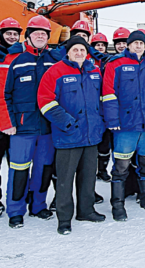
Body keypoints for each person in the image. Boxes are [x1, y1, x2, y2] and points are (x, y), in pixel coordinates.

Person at [38, 36, 106, 235]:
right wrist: (67, 122)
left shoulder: (94, 71)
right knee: (65, 180)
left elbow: (102, 100)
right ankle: (64, 219)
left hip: (91, 136)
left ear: (87, 52)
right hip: (68, 135)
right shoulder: (55, 72)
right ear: (68, 52)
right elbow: (45, 101)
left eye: (82, 50)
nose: (79, 53)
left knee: (88, 178)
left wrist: (100, 123)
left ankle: (86, 211)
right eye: (75, 49)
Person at [1, 15, 63, 228]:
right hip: (22, 127)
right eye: (36, 32)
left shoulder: (54, 61)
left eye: (44, 33)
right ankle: (15, 210)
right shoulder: (14, 61)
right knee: (18, 169)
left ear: (48, 37)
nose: (40, 36)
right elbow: (4, 94)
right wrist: (7, 122)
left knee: (43, 169)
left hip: (47, 127)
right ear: (27, 36)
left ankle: (38, 206)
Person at [103, 30, 145, 221]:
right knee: (120, 167)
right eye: (135, 43)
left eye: (141, 43)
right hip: (125, 126)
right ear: (128, 45)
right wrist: (112, 121)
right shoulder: (115, 64)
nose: (138, 46)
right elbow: (108, 94)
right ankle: (117, 204)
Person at [0, 17, 23, 216]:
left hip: (17, 120)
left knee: (18, 166)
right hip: (2, 120)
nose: (12, 37)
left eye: (15, 34)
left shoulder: (19, 56)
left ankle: (17, 199)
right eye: (8, 33)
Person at [90, 33, 112, 183]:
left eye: (102, 45)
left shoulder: (109, 61)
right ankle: (92, 171)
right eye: (97, 45)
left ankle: (102, 170)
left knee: (105, 143)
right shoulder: (88, 61)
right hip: (92, 108)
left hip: (106, 108)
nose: (100, 47)